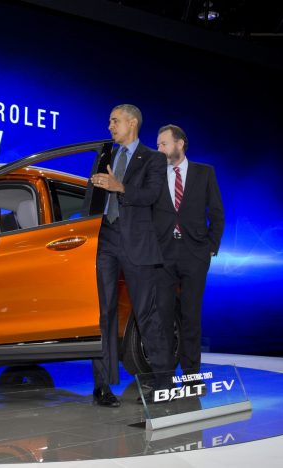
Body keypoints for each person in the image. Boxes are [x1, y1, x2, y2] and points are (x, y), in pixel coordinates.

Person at [89, 104, 168, 407]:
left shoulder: (153, 158)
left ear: (132, 123)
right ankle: (103, 386)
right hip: (106, 239)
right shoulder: (105, 154)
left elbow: (151, 195)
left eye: (115, 121)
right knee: (104, 314)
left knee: (146, 313)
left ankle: (162, 381)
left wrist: (119, 186)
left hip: (137, 242)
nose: (110, 126)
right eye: (109, 121)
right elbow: (94, 194)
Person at [154, 125, 224, 378]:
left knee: (191, 316)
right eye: (158, 144)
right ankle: (162, 378)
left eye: (163, 143)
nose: (159, 148)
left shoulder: (204, 173)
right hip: (162, 253)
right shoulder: (155, 173)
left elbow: (217, 214)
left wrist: (210, 248)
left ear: (180, 143)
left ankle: (192, 375)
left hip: (194, 253)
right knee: (162, 317)